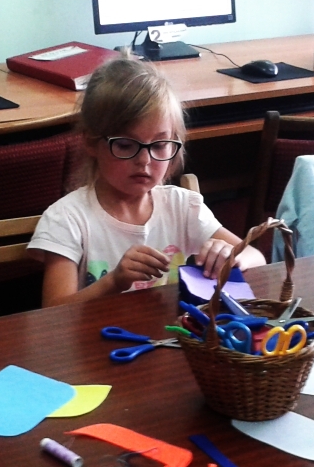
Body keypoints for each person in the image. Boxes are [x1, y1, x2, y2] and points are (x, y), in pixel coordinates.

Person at [29, 58, 264, 307]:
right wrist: (113, 282)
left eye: (160, 145)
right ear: (91, 142)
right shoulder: (66, 219)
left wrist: (230, 257)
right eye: (125, 145)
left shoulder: (183, 207)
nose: (144, 160)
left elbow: (257, 257)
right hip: (98, 333)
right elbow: (53, 313)